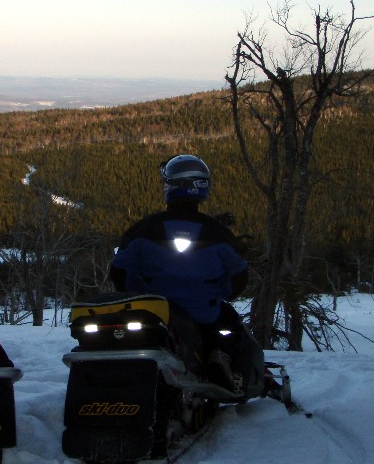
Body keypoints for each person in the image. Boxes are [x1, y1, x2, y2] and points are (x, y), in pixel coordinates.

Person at [110, 154, 266, 398]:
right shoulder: (218, 233)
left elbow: (120, 270)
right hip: (203, 312)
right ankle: (221, 356)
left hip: (154, 310)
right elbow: (238, 275)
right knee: (231, 328)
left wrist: (136, 291)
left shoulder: (143, 229)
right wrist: (222, 292)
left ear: (170, 187)